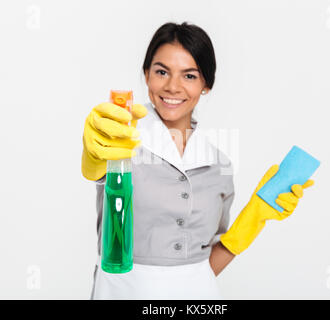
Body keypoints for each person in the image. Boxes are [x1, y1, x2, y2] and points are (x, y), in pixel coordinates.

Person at [81, 22, 314, 299]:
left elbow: (203, 268)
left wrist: (253, 218)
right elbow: (96, 166)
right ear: (146, 75)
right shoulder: (119, 140)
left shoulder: (219, 165)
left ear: (206, 85)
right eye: (161, 72)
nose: (172, 87)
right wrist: (92, 156)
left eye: (189, 76)